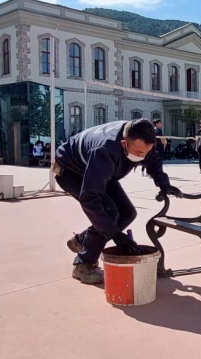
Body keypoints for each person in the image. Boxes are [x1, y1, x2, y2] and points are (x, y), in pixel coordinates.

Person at [54, 119, 183, 284]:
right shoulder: (104, 151)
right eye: (137, 152)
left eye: (145, 152)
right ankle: (83, 264)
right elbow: (90, 199)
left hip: (103, 170)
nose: (141, 157)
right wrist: (116, 236)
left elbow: (153, 160)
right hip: (71, 171)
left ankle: (83, 241)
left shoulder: (140, 137)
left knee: (128, 213)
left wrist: (163, 183)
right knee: (110, 213)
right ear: (123, 143)